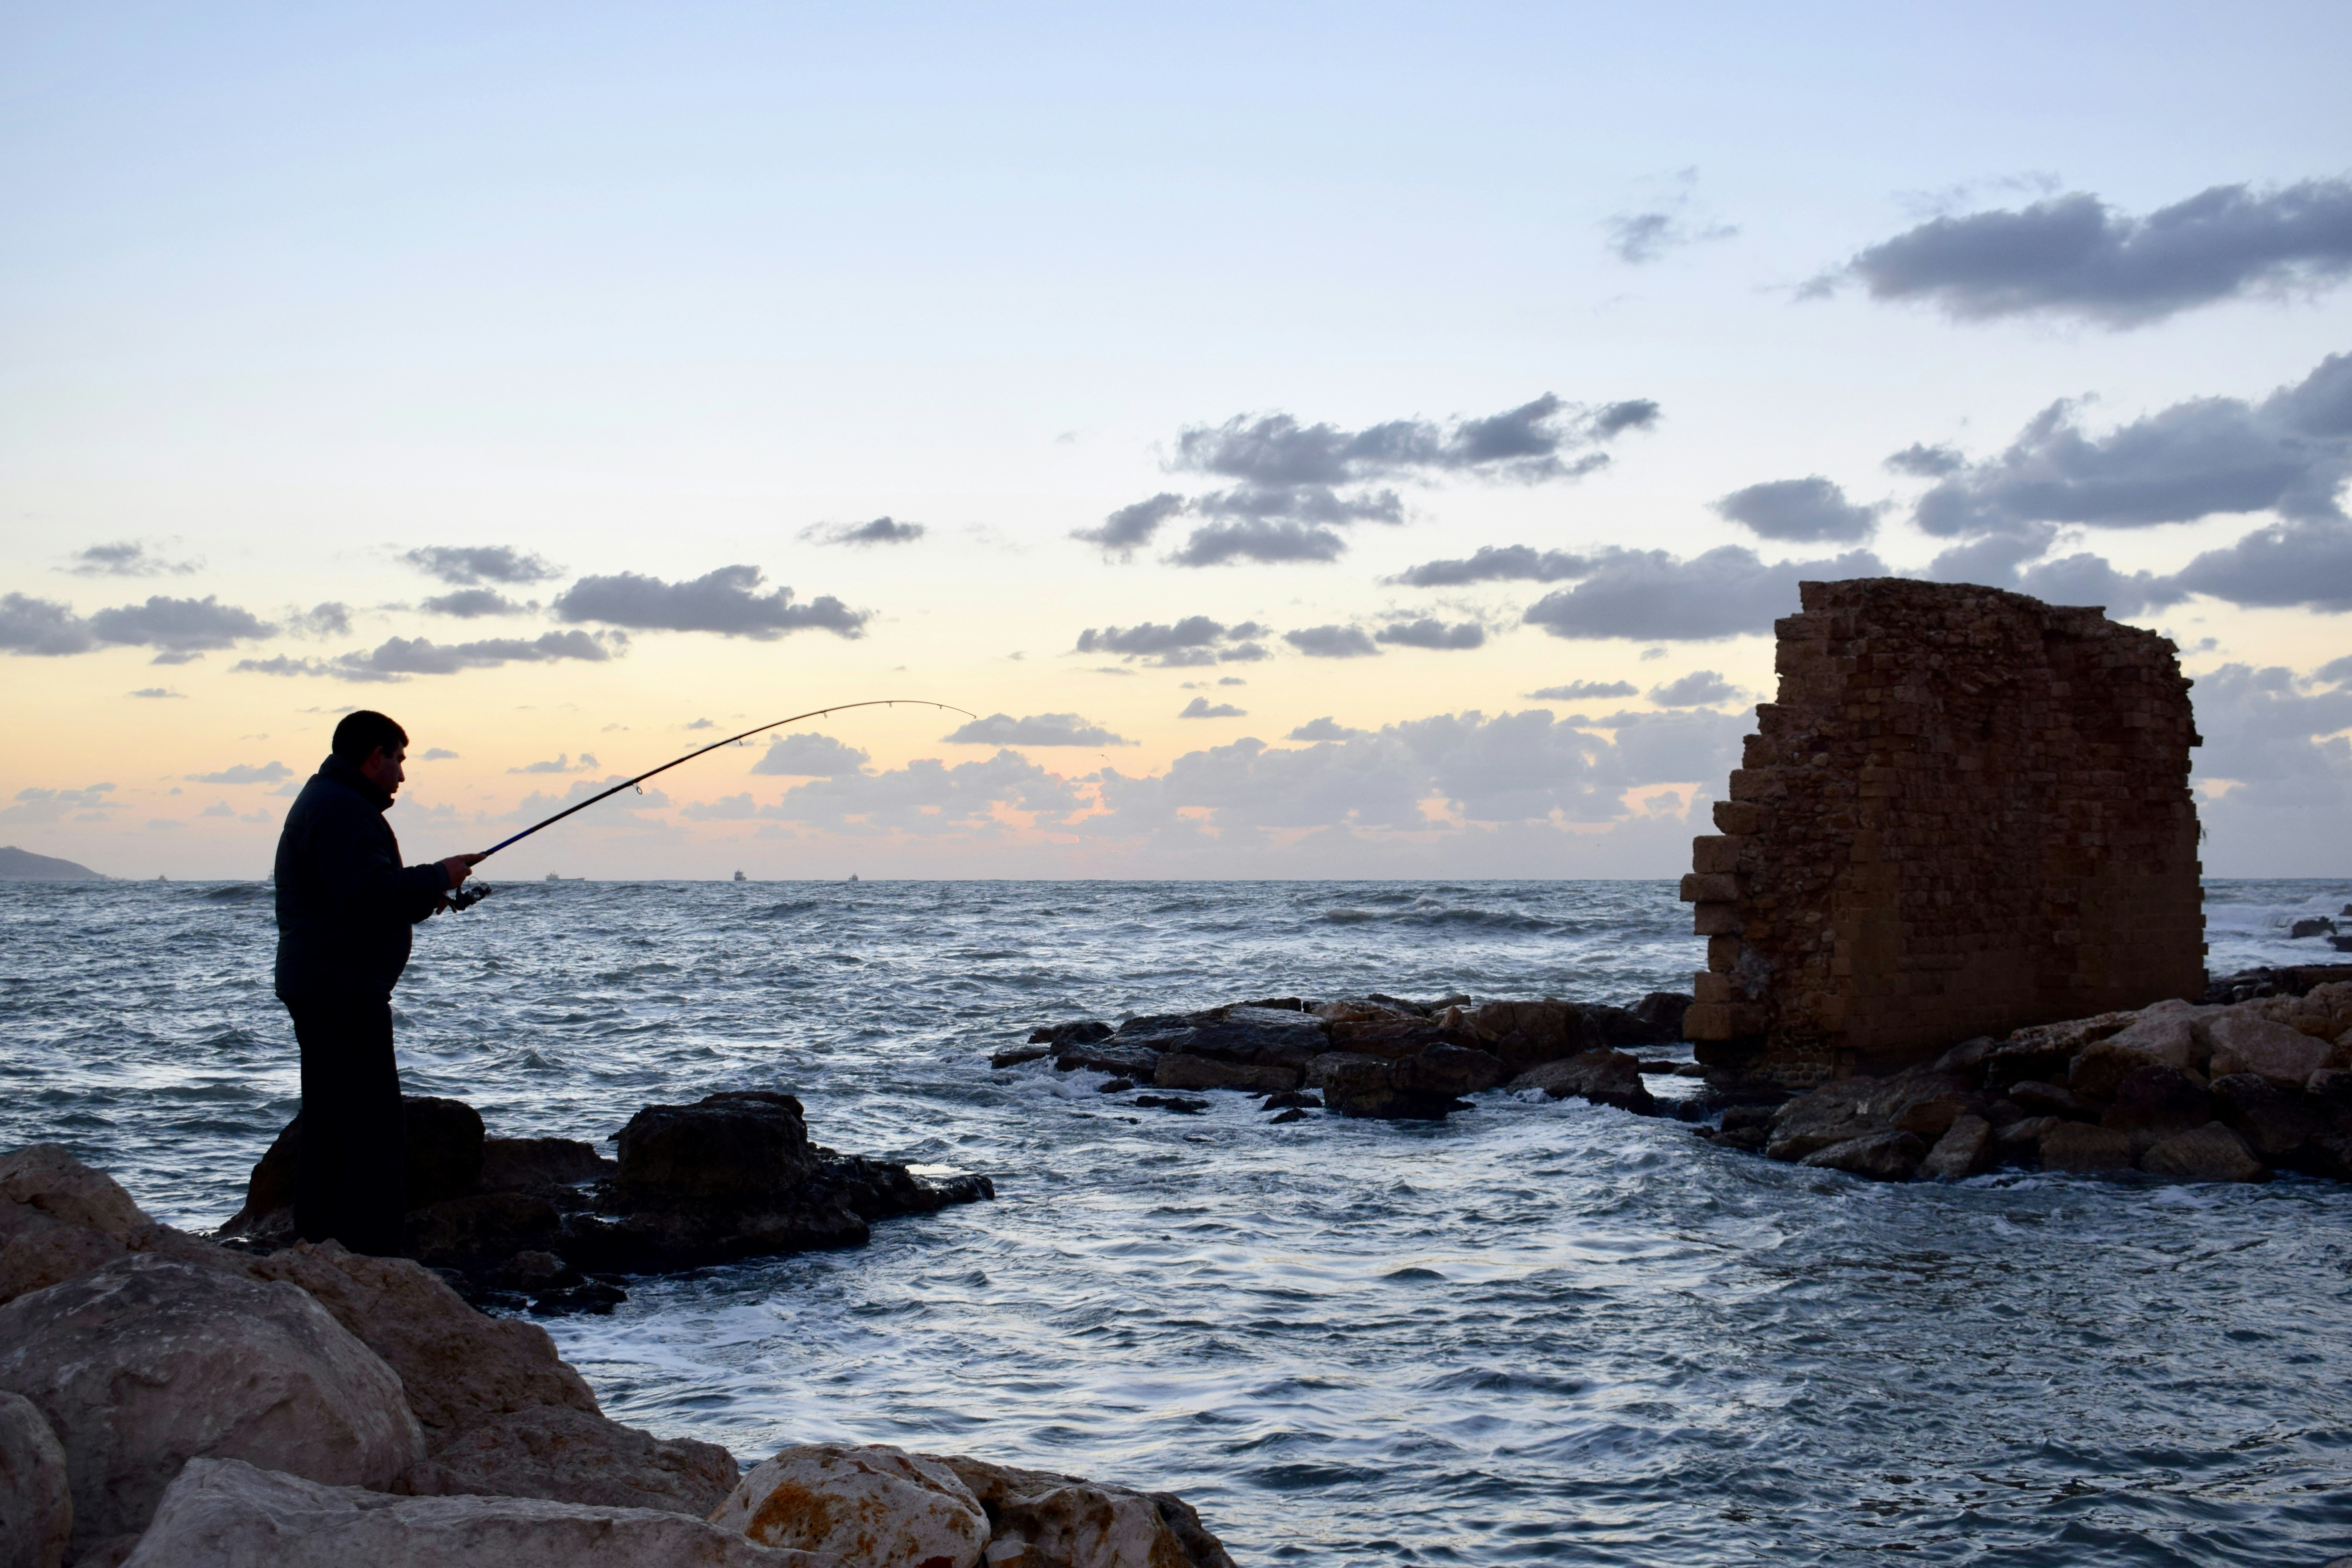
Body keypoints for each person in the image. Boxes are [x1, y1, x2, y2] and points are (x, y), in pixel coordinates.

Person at [273, 710, 480, 1255]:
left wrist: (424, 892)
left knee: (330, 1126)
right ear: (374, 758)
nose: (403, 775)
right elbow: (366, 894)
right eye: (399, 760)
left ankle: (319, 1247)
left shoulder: (331, 802)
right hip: (341, 989)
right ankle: (374, 1260)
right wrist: (439, 876)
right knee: (371, 1131)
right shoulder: (343, 811)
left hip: (326, 983)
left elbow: (363, 896)